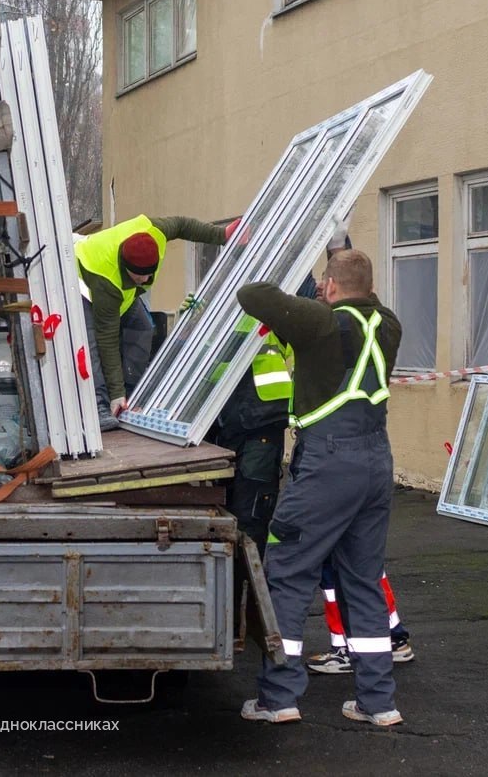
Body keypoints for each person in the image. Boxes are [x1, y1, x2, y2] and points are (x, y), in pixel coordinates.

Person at [237, 248, 405, 727]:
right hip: (376, 459)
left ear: (329, 287)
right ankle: (378, 703)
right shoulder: (390, 325)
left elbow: (252, 293)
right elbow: (365, 300)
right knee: (363, 580)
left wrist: (306, 285)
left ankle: (279, 698)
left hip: (328, 462)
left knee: (288, 573)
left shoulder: (321, 322)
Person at [76, 214, 231, 430]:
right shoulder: (106, 281)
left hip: (122, 289)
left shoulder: (154, 232)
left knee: (143, 327)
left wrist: (222, 234)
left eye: (149, 275)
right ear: (125, 267)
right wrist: (116, 393)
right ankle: (100, 407)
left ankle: (132, 394)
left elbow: (183, 225)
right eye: (139, 276)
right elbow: (107, 341)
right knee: (90, 345)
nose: (145, 280)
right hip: (79, 283)